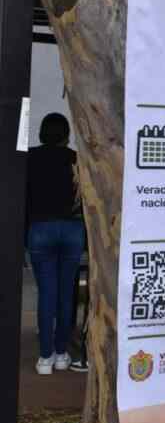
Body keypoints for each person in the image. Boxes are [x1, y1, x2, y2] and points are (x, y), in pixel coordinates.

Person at [26, 113, 86, 375]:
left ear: (41, 133)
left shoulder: (29, 158)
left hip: (40, 230)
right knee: (66, 294)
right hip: (73, 230)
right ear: (66, 135)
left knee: (47, 294)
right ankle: (62, 354)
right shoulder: (76, 160)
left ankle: (45, 358)